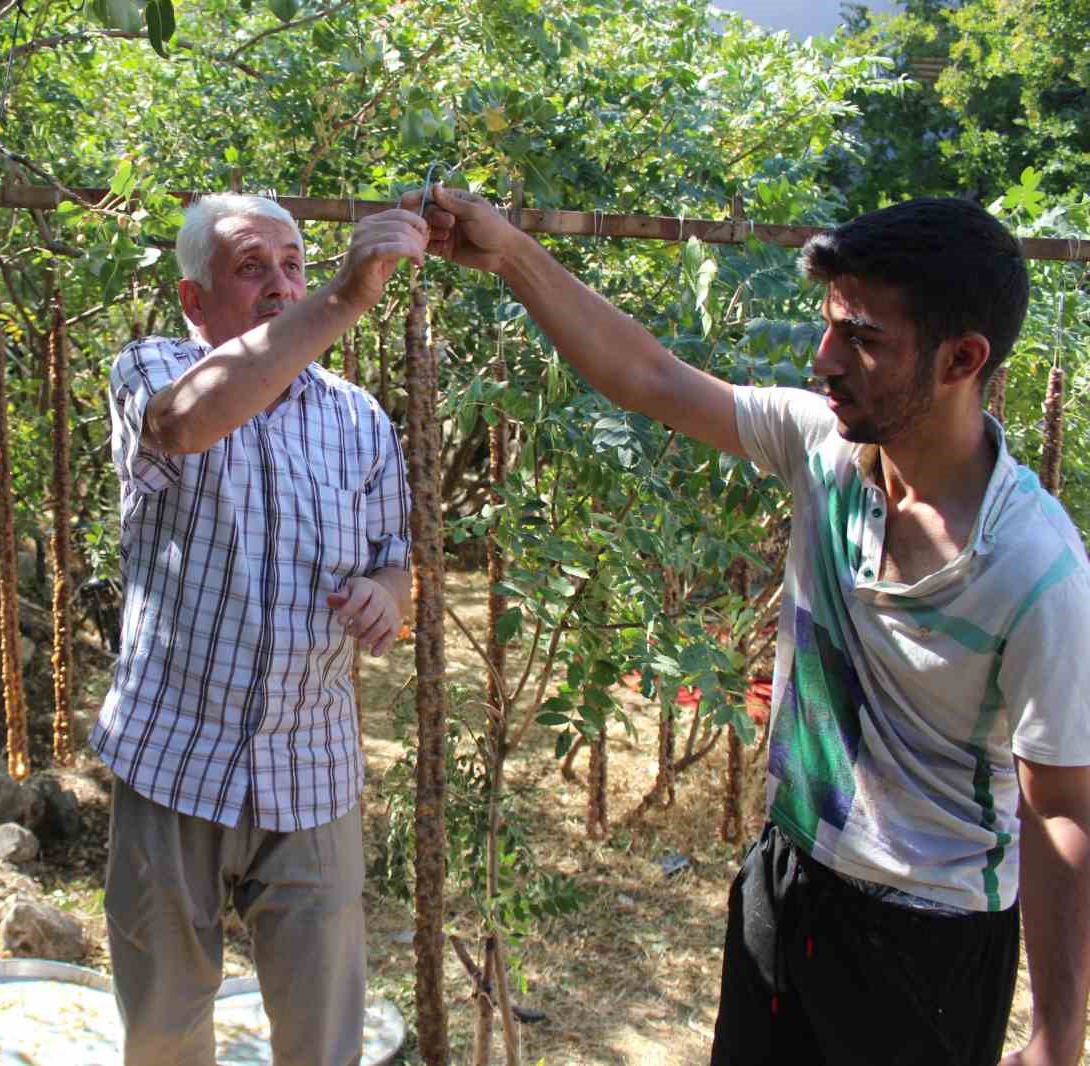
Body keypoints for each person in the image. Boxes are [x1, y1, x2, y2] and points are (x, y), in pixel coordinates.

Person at [415, 188, 1090, 1065]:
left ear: (962, 359)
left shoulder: (1037, 572)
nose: (824, 360)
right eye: (829, 326)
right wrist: (509, 254)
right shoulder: (828, 451)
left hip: (931, 939)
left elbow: (1063, 810)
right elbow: (650, 377)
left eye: (864, 339)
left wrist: (1057, 1037)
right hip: (788, 877)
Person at [94, 193, 427, 1066]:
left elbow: (397, 555)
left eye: (294, 266)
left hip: (312, 767)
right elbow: (185, 424)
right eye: (252, 268)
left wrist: (387, 595)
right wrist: (346, 300)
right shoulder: (154, 371)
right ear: (194, 300)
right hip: (173, 759)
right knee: (164, 1025)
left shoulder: (358, 420)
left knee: (322, 1033)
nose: (282, 286)